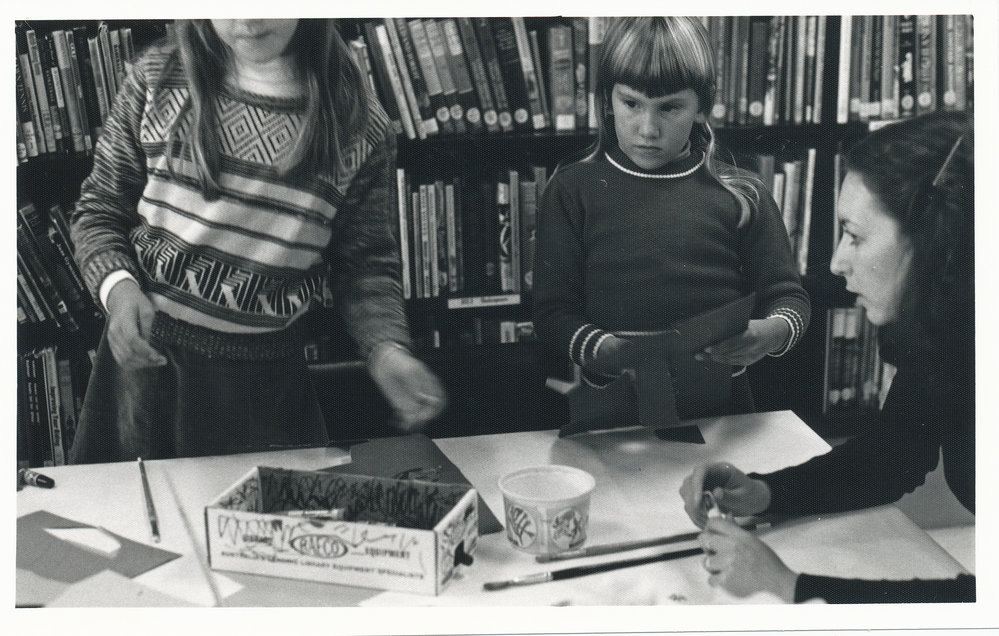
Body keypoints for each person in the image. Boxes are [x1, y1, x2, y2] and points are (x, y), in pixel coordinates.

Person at [68, 19, 445, 464]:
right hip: (147, 374)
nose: (248, 18)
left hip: (267, 390)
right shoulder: (155, 79)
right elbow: (99, 209)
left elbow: (364, 264)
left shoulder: (359, 124)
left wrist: (385, 348)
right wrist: (119, 289)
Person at [679, 111, 974, 603]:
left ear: (934, 244)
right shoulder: (948, 331)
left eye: (855, 236)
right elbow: (890, 458)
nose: (837, 262)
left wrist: (788, 585)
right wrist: (766, 493)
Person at [533, 17, 810, 428]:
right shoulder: (571, 190)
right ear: (607, 100)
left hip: (722, 412)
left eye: (670, 107)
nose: (647, 129)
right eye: (631, 104)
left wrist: (769, 334)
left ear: (702, 109)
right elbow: (552, 313)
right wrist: (605, 350)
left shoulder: (743, 195)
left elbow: (790, 298)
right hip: (611, 409)